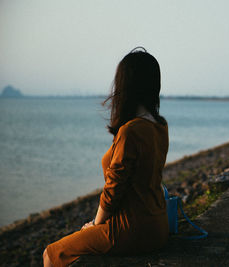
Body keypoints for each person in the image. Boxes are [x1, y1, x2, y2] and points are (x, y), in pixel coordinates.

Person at [43, 47, 169, 267]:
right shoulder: (160, 126)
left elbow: (113, 189)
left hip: (131, 229)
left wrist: (95, 223)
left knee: (52, 254)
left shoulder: (130, 131)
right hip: (158, 225)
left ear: (125, 86)